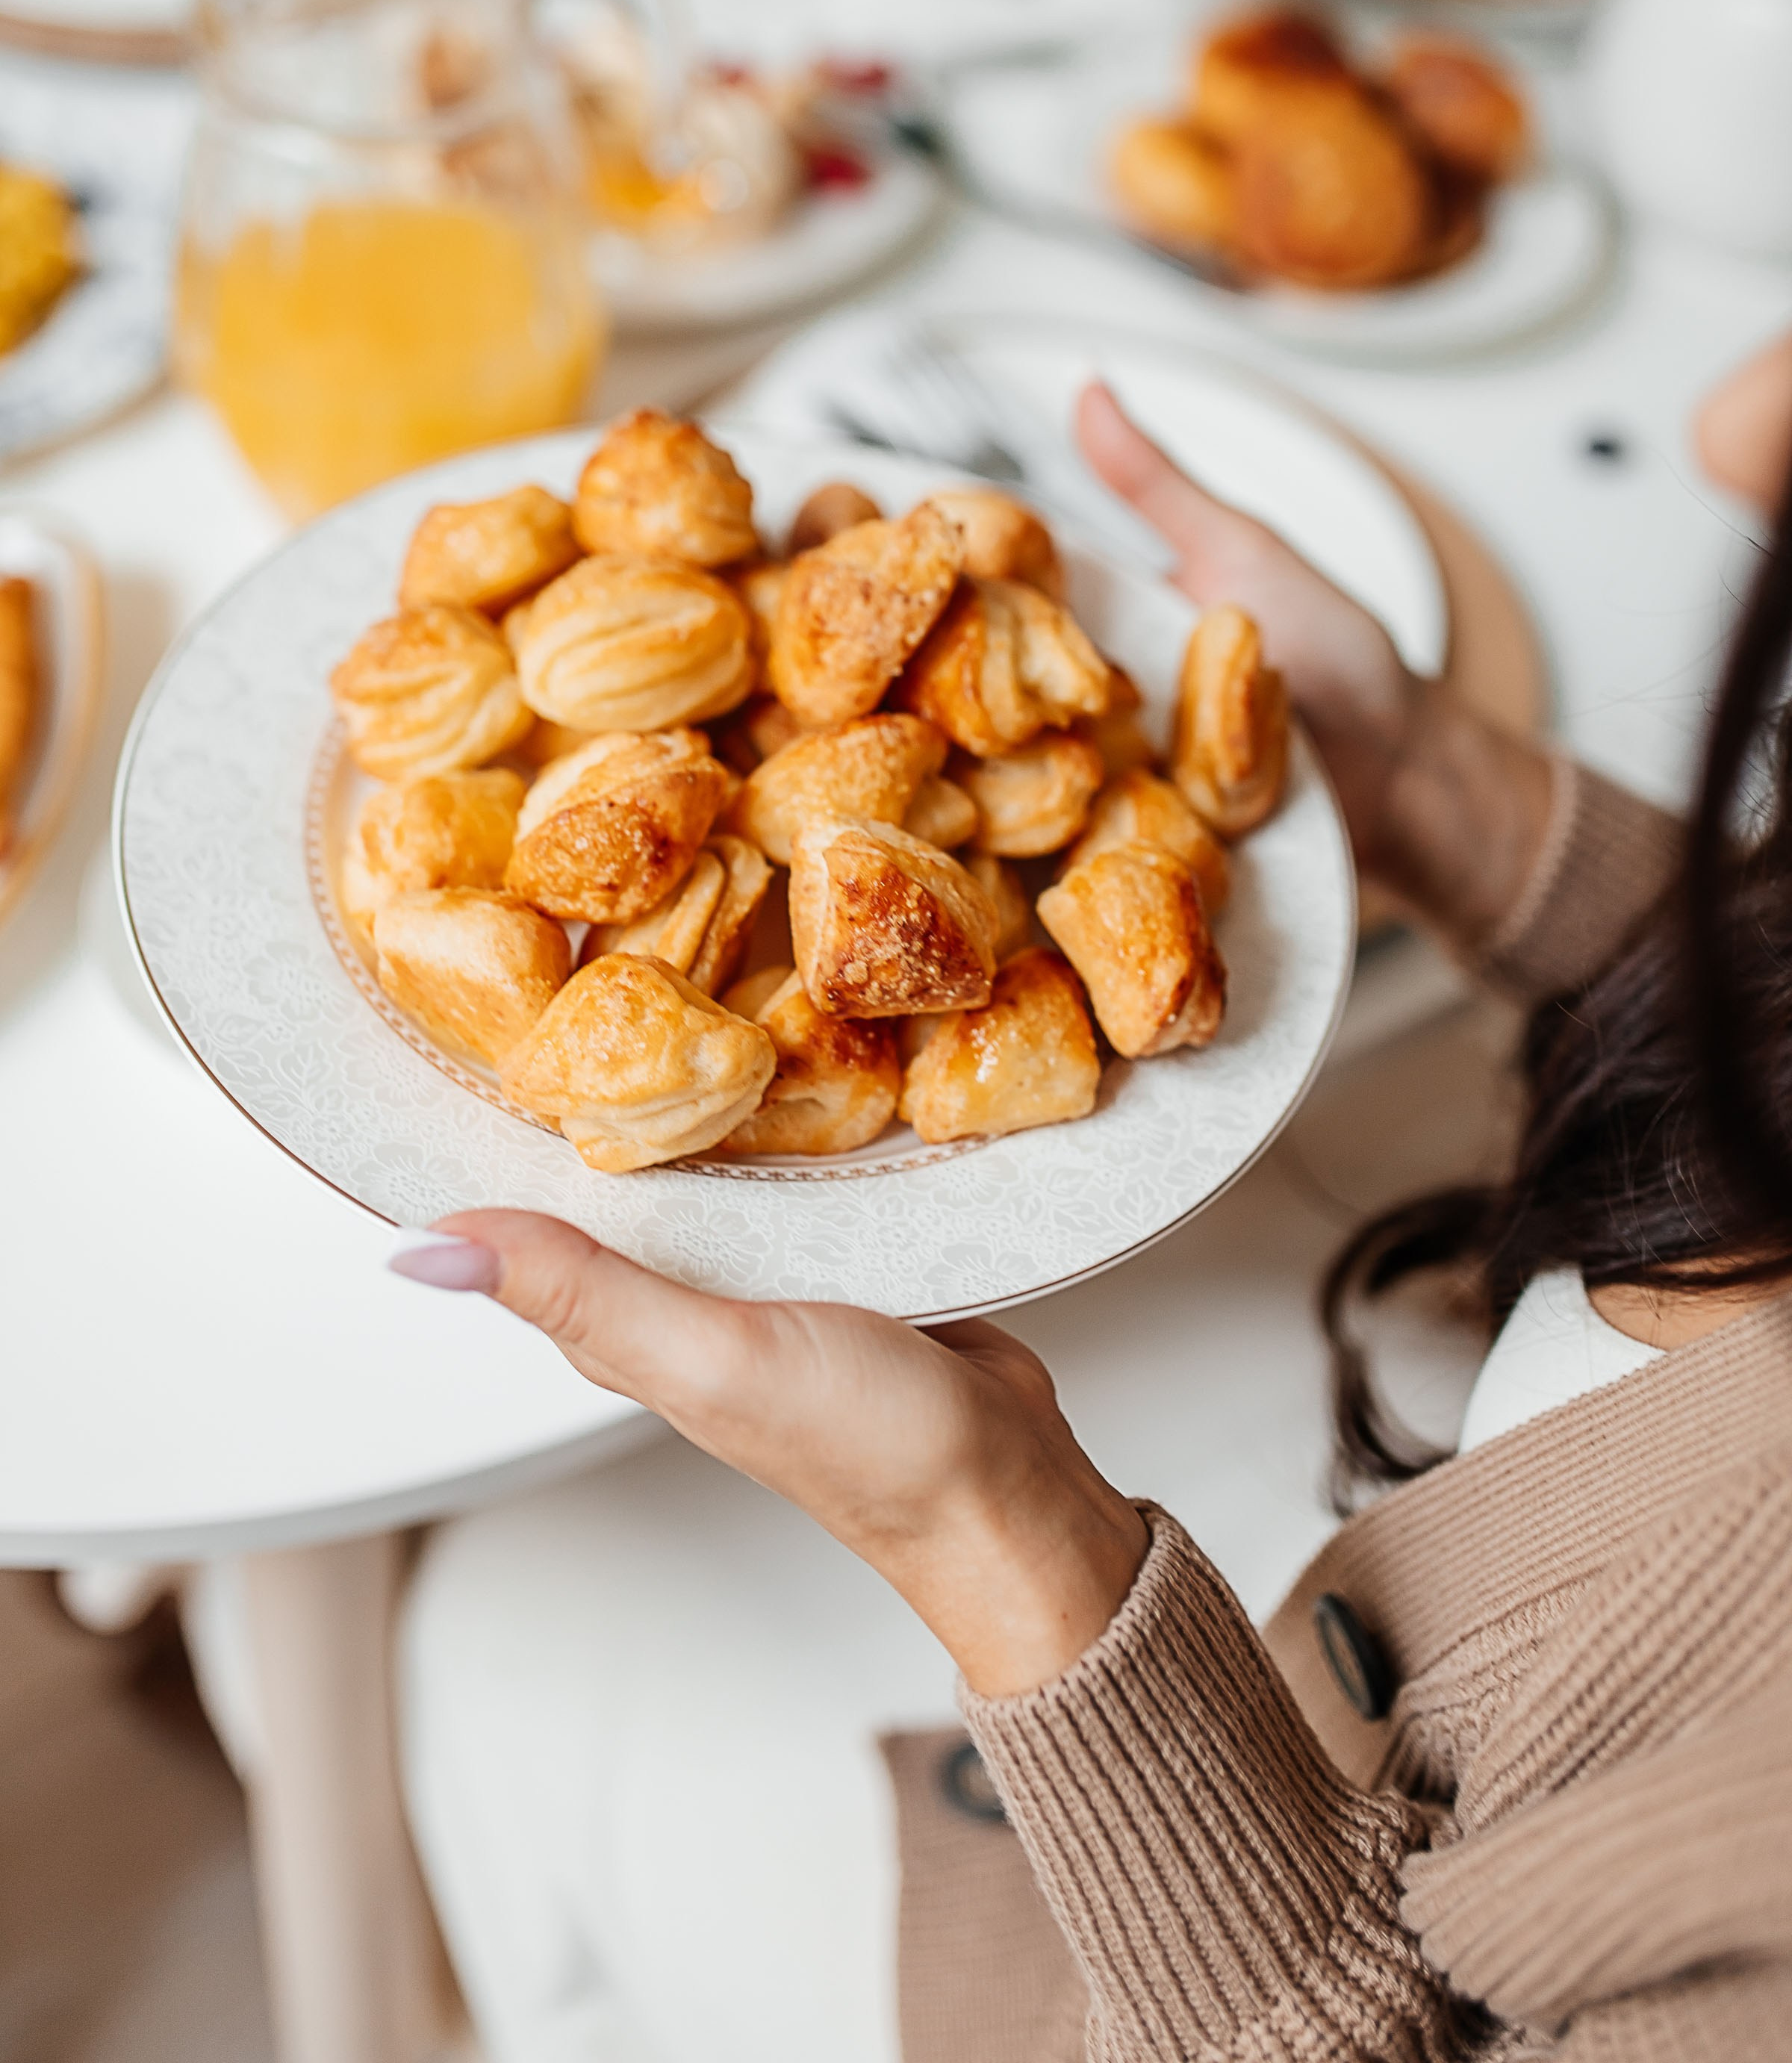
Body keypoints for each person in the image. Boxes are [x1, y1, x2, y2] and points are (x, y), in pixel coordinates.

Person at [393, 379, 1792, 2061]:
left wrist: (998, 1542)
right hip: (1383, 1540)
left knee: (504, 1611)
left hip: (1174, 1954)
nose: (1735, 423)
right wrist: (1443, 795)